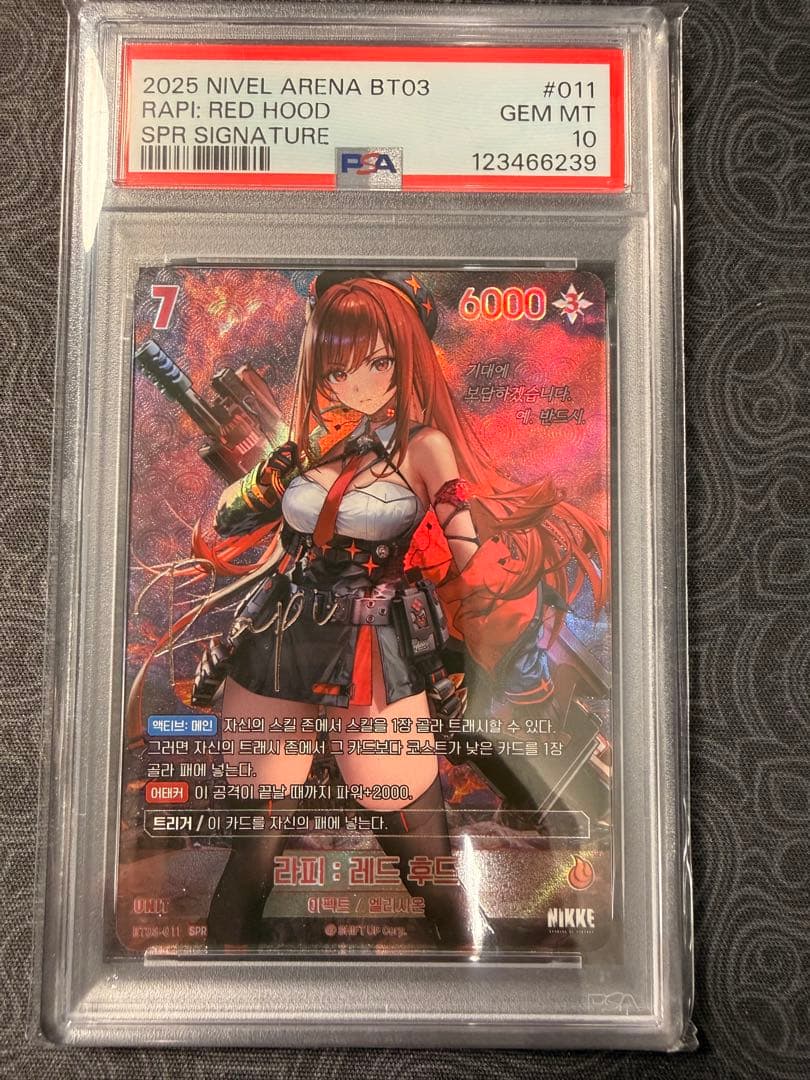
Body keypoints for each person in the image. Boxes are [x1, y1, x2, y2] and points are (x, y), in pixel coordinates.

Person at [161, 271, 608, 949]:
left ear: (407, 361)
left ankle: (470, 956)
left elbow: (462, 543)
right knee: (256, 841)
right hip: (283, 630)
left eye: (378, 363)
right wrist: (274, 472)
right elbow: (227, 519)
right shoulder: (301, 445)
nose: (358, 384)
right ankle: (224, 983)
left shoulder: (423, 447)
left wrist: (484, 589)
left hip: (374, 639)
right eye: (338, 368)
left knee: (418, 843)